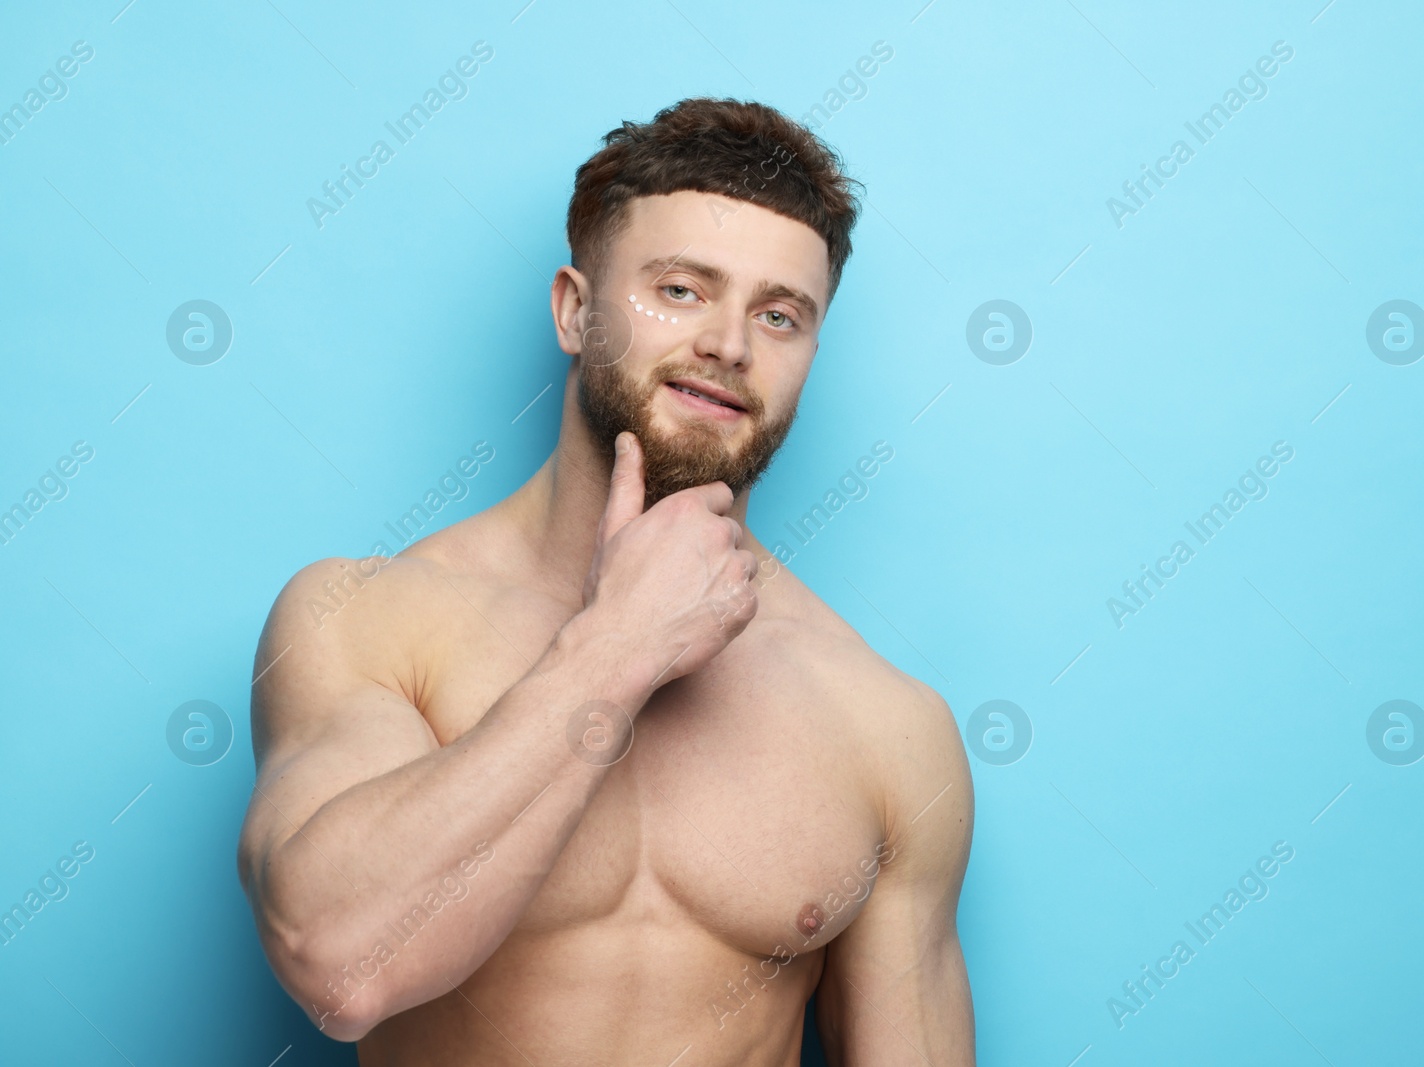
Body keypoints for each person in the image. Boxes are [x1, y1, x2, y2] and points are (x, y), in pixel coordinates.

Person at [236, 97, 976, 1066]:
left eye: (779, 314)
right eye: (679, 290)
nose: (729, 344)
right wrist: (618, 644)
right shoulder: (368, 623)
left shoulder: (887, 725)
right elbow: (338, 964)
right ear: (575, 310)